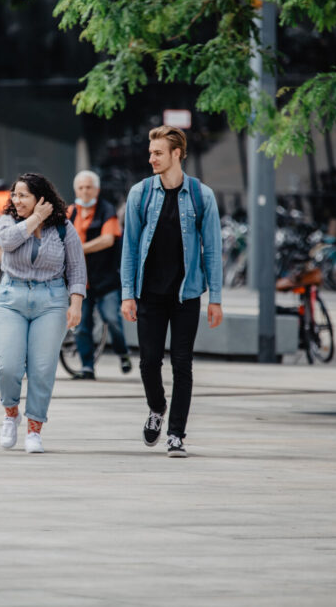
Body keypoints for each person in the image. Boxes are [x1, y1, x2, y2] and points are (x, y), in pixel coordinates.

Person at [121, 125, 223, 458]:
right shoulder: (140, 193)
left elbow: (212, 251)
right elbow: (131, 247)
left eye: (158, 153)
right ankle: (157, 408)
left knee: (182, 364)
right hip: (148, 294)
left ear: (176, 154)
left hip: (186, 295)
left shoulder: (201, 195)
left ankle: (176, 434)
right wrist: (127, 293)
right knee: (149, 362)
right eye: (151, 153)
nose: (151, 158)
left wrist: (216, 299)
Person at [0, 172, 86, 454]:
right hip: (12, 297)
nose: (17, 200)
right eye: (15, 195)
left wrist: (76, 303)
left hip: (52, 299)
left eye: (24, 196)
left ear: (40, 198)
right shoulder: (7, 220)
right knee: (7, 366)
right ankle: (11, 415)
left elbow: (77, 267)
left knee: (42, 369)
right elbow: (7, 242)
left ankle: (35, 430)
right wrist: (34, 219)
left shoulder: (63, 228)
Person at [67, 170, 132, 379]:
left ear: (97, 189)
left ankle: (123, 353)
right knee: (81, 324)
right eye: (81, 188)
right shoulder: (70, 212)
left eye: (89, 187)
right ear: (75, 189)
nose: (85, 191)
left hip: (106, 279)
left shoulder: (106, 210)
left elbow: (107, 240)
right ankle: (87, 367)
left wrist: (80, 248)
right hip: (80, 282)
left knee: (112, 319)